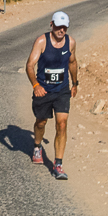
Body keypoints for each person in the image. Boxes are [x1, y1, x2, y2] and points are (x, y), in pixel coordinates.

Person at [25, 10, 79, 180]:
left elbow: (72, 62)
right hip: (43, 90)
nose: (61, 30)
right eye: (58, 26)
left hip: (62, 90)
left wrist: (75, 83)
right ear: (51, 25)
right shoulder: (42, 41)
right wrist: (35, 85)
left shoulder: (70, 42)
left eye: (64, 27)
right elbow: (29, 66)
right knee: (41, 123)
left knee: (61, 124)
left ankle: (58, 164)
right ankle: (37, 146)